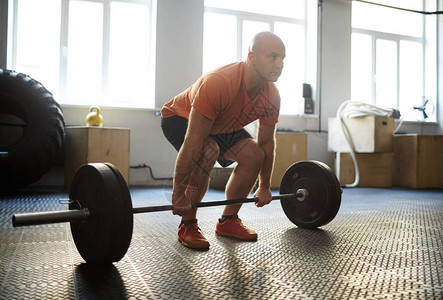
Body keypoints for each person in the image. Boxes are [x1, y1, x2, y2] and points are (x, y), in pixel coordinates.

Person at [161, 31, 285, 250]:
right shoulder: (218, 83)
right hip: (180, 117)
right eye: (273, 56)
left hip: (222, 123)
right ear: (252, 57)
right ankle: (187, 223)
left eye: (282, 58)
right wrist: (178, 194)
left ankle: (228, 221)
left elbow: (267, 143)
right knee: (207, 150)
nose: (280, 63)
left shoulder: (271, 95)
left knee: (254, 154)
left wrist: (265, 186)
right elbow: (193, 142)